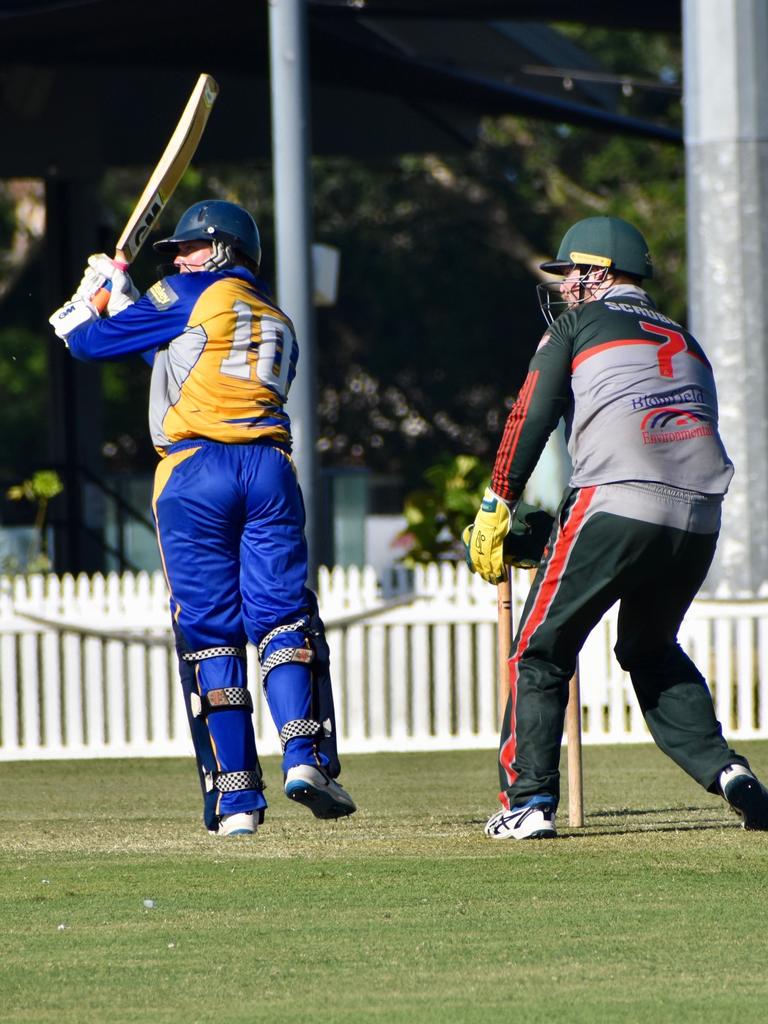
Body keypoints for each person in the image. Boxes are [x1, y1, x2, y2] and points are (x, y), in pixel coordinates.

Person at [49, 199, 356, 837]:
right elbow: (178, 360)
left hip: (193, 473)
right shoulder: (278, 316)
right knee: (282, 616)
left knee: (211, 630)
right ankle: (305, 760)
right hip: (269, 469)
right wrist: (129, 296)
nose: (181, 259)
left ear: (223, 250)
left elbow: (89, 345)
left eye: (190, 248)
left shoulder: (190, 290)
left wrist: (87, 303)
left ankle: (239, 798)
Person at [463, 215, 768, 840]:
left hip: (613, 499)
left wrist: (498, 500)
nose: (564, 285)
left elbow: (531, 412)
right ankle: (732, 774)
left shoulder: (577, 326)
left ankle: (527, 804)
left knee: (540, 651)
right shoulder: (686, 338)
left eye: (571, 272)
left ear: (600, 272)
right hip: (698, 515)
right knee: (650, 649)